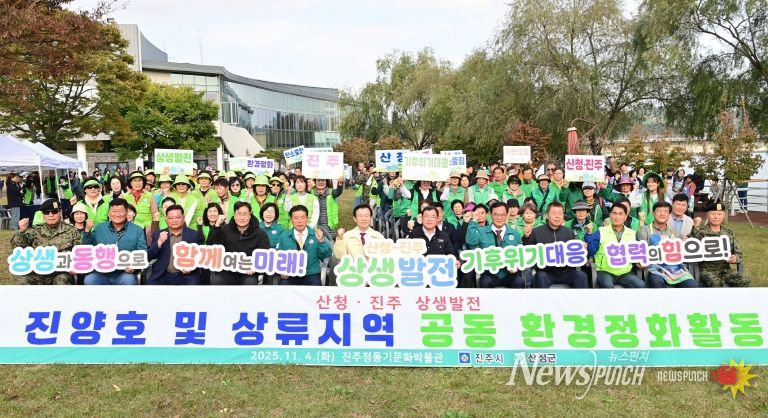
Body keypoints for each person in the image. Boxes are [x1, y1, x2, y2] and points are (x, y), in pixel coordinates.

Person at [10, 199, 82, 285]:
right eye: (47, 212)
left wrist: (74, 266)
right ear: (43, 215)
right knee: (23, 283)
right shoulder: (34, 231)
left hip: (61, 273)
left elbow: (79, 253)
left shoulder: (71, 231)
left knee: (61, 282)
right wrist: (21, 231)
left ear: (60, 212)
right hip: (37, 273)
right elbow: (18, 248)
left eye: (54, 211)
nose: (50, 215)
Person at [522, 201, 588, 288]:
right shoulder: (536, 232)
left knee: (581, 276)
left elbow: (575, 254)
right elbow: (528, 252)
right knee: (540, 277)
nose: (557, 216)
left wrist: (582, 249)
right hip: (546, 272)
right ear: (547, 215)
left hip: (566, 272)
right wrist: (526, 237)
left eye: (560, 213)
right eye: (554, 213)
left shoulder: (569, 232)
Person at [82, 198, 148, 285]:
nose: (117, 214)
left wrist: (135, 267)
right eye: (114, 211)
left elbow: (142, 252)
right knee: (90, 279)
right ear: (109, 213)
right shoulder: (99, 228)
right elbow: (88, 248)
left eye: (121, 211)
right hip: (101, 272)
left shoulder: (137, 230)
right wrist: (87, 231)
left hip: (125, 273)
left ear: (127, 212)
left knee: (128, 280)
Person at [207, 201, 271, 285]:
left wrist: (255, 267)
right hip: (227, 271)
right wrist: (217, 226)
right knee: (216, 280)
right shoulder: (225, 230)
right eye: (239, 214)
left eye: (245, 214)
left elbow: (265, 255)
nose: (242, 217)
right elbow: (211, 246)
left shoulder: (260, 233)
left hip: (248, 273)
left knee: (250, 282)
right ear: (234, 215)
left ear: (250, 215)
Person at [637, 201, 697, 288]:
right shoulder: (645, 230)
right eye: (659, 211)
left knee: (692, 284)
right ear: (653, 213)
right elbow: (642, 252)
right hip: (656, 268)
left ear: (669, 214)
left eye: (665, 211)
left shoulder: (673, 231)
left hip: (676, 268)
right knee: (657, 283)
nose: (662, 214)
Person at [465, 201, 524, 288]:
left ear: (507, 215)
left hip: (509, 274)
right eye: (495, 214)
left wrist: (517, 266)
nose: (499, 218)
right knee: (485, 282)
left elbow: (521, 254)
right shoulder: (481, 231)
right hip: (489, 274)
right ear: (490, 215)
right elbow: (470, 241)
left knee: (519, 282)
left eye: (502, 215)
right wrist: (474, 221)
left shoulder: (515, 233)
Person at [586, 203, 646, 288]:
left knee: (641, 285)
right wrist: (589, 234)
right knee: (607, 286)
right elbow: (591, 251)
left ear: (625, 217)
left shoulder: (632, 233)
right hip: (605, 271)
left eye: (620, 214)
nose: (617, 217)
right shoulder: (601, 231)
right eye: (614, 213)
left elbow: (636, 254)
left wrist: (639, 261)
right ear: (610, 215)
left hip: (625, 272)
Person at [692, 201, 750, 287]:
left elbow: (739, 253)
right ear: (707, 215)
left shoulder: (728, 232)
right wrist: (695, 227)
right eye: (713, 214)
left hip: (725, 270)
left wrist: (735, 258)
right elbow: (692, 247)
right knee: (716, 283)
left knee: (744, 280)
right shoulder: (700, 232)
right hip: (706, 270)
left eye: (719, 214)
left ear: (723, 216)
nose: (716, 217)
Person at [146, 204, 203, 285]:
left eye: (178, 217)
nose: (174, 220)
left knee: (193, 286)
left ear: (183, 218)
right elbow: (149, 256)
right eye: (171, 218)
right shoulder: (158, 234)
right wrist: (159, 242)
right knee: (150, 286)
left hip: (187, 275)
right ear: (166, 219)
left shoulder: (194, 234)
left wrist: (191, 268)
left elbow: (200, 256)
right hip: (162, 274)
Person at [275, 205, 331, 285]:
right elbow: (277, 257)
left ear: (307, 219)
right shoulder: (284, 236)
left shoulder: (316, 235)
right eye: (296, 218)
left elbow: (325, 255)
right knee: (284, 288)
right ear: (291, 220)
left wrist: (321, 241)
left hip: (311, 274)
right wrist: (281, 271)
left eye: (302, 217)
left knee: (315, 289)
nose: (299, 221)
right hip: (290, 274)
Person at [312, 176, 344, 241]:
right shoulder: (311, 192)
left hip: (329, 225)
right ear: (315, 181)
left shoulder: (331, 192)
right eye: (318, 180)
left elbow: (338, 192)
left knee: (330, 245)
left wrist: (340, 184)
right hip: (314, 224)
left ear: (326, 182)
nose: (321, 182)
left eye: (323, 180)